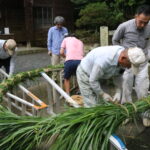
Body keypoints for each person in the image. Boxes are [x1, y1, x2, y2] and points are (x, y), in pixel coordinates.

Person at [76, 46, 146, 107]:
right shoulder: (104, 61)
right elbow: (93, 80)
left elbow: (118, 75)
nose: (128, 68)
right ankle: (90, 120)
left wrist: (118, 91)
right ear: (122, 58)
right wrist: (102, 94)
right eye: (129, 65)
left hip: (100, 75)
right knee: (91, 104)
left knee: (102, 102)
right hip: (85, 74)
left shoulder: (124, 56)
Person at [112, 5, 150, 103]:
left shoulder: (149, 27)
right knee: (125, 88)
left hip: (142, 63)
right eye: (141, 21)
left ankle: (144, 115)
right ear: (136, 16)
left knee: (143, 89)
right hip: (127, 63)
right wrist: (122, 54)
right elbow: (115, 40)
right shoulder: (124, 26)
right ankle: (127, 113)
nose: (142, 25)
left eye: (145, 23)